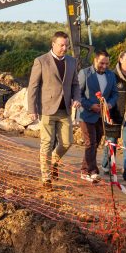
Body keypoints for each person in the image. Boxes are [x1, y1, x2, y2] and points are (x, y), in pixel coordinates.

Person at [27, 31, 81, 185]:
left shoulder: (72, 62)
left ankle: (54, 161)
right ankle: (46, 177)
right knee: (47, 143)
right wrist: (32, 109)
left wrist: (77, 98)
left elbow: (75, 84)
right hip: (47, 109)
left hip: (65, 110)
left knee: (67, 142)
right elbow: (33, 86)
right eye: (61, 45)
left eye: (66, 45)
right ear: (53, 44)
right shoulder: (41, 61)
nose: (64, 48)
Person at [77, 50, 117, 181]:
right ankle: (92, 170)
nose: (104, 66)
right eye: (101, 63)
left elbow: (114, 94)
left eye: (107, 64)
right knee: (90, 142)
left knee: (95, 143)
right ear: (95, 60)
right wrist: (90, 106)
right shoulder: (84, 73)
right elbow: (78, 94)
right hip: (86, 114)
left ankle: (85, 169)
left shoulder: (111, 75)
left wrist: (110, 104)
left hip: (102, 116)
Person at [101, 50, 126, 183]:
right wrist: (107, 111)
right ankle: (106, 166)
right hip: (114, 114)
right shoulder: (111, 75)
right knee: (111, 141)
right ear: (120, 59)